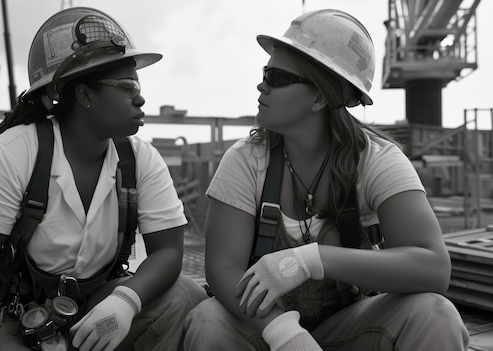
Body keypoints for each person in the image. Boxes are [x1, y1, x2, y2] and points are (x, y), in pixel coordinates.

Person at [184, 9, 469, 351]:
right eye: (264, 72)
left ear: (319, 97)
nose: (261, 84)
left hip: (348, 326)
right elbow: (222, 269)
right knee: (208, 320)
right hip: (261, 327)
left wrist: (312, 260)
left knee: (434, 314)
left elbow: (433, 268)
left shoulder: (376, 160)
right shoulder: (246, 160)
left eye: (276, 77)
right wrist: (285, 334)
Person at [0, 7, 207, 351]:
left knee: (184, 295)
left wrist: (125, 303)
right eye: (127, 86)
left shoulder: (139, 159)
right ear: (85, 96)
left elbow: (168, 253)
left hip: (97, 305)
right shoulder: (14, 153)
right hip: (18, 317)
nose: (140, 97)